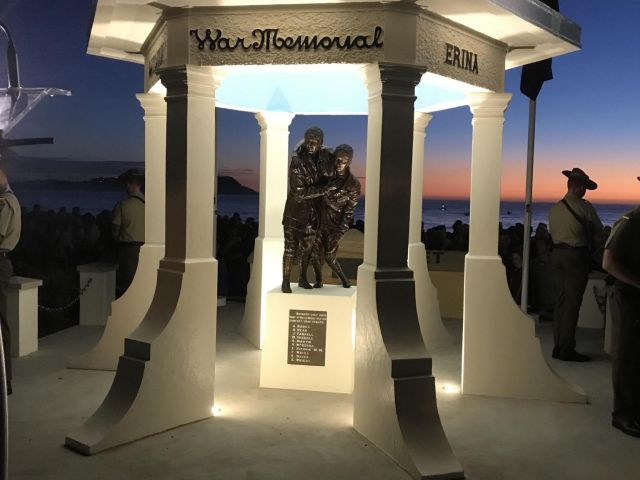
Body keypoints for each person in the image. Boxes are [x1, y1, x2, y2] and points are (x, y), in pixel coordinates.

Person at [548, 167, 604, 361]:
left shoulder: (555, 208)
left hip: (556, 255)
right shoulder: (585, 207)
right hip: (576, 257)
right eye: (585, 187)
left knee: (560, 302)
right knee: (572, 304)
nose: (586, 191)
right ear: (579, 187)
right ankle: (566, 349)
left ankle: (557, 345)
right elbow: (599, 231)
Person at [602, 176, 640, 438]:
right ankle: (622, 414)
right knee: (626, 355)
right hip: (627, 297)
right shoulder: (631, 221)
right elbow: (608, 262)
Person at [281, 127, 337, 293]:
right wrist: (324, 189)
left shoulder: (324, 157)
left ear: (321, 143)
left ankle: (302, 278)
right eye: (308, 141)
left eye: (315, 142)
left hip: (313, 214)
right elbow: (299, 192)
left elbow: (332, 171)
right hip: (294, 213)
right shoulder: (297, 162)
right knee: (290, 248)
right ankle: (285, 281)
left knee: (307, 248)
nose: (311, 145)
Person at [308, 144, 361, 288]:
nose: (338, 164)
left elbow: (349, 212)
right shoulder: (325, 176)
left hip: (335, 224)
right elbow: (313, 192)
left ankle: (344, 279)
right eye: (336, 160)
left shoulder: (353, 185)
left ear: (349, 162)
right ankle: (319, 280)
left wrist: (340, 232)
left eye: (342, 161)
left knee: (330, 257)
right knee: (313, 252)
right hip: (318, 219)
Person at [0, 161, 21, 395]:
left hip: (0, 261)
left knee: (1, 322)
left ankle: (5, 379)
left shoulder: (5, 203)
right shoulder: (9, 200)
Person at [112, 169, 145, 298]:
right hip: (147, 248)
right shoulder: (148, 205)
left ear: (129, 184)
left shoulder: (122, 205)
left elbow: (115, 229)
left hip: (128, 249)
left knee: (127, 283)